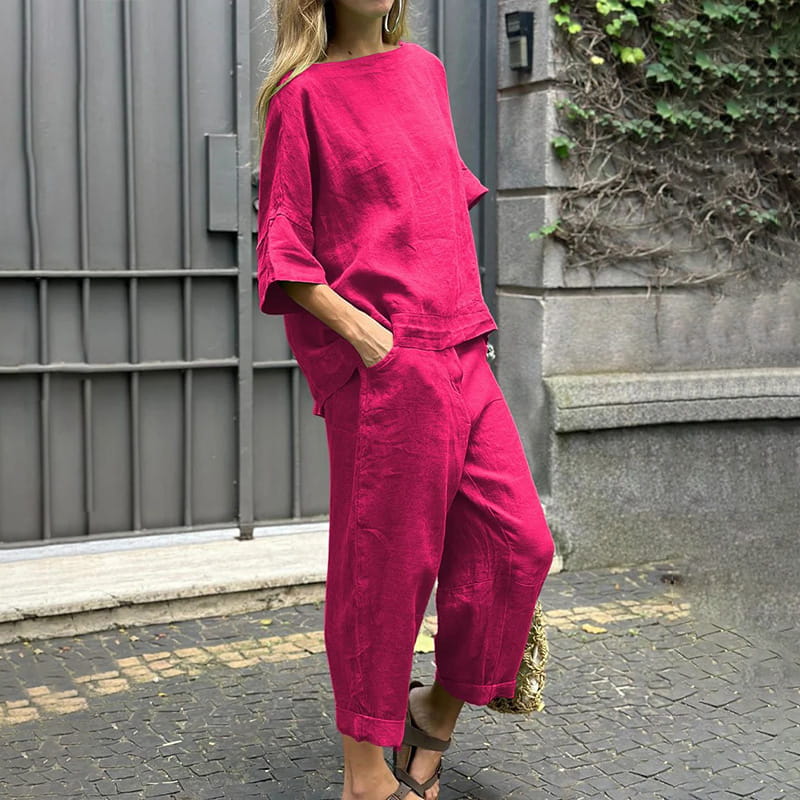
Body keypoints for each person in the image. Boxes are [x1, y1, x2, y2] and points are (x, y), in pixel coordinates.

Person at [254, 1, 556, 798]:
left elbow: (435, 210)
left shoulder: (426, 73)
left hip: (463, 347)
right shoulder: (302, 98)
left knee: (519, 544)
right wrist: (368, 339)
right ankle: (366, 778)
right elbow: (284, 251)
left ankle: (434, 712)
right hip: (391, 369)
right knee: (381, 575)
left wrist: (455, 315)